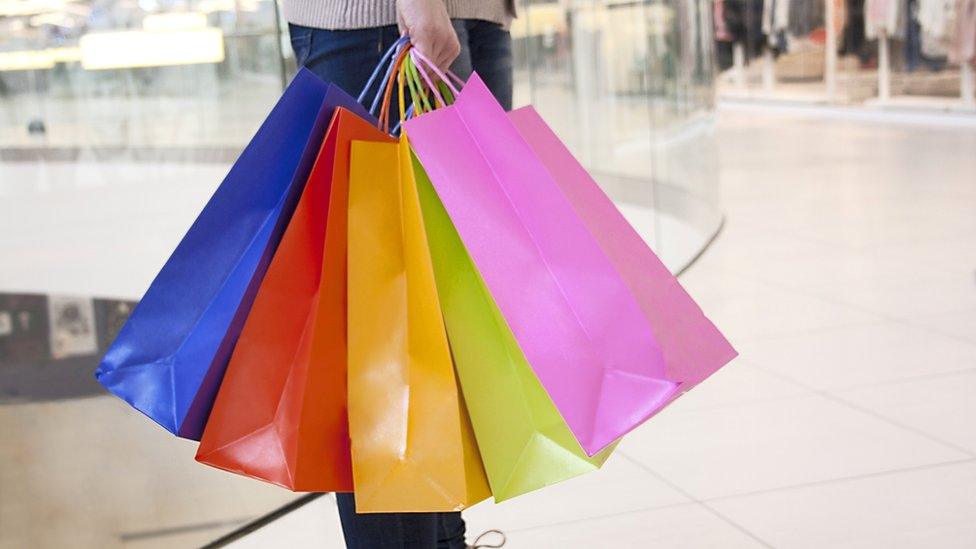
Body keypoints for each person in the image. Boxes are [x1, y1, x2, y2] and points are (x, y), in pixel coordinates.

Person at [281, 1, 514, 547]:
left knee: (448, 322)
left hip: (473, 14)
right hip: (383, 20)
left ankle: (445, 538)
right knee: (382, 339)